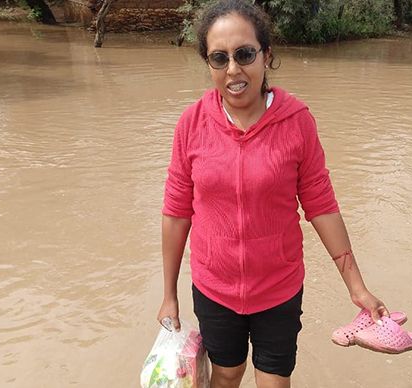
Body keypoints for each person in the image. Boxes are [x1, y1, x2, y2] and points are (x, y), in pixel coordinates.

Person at [157, 1, 390, 387]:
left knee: (274, 382)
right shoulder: (191, 124)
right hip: (214, 288)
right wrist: (169, 295)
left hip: (278, 290)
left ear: (266, 55)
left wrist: (357, 287)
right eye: (219, 58)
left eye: (245, 54)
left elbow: (321, 205)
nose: (233, 69)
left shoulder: (297, 121)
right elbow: (176, 210)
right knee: (226, 375)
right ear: (209, 64)